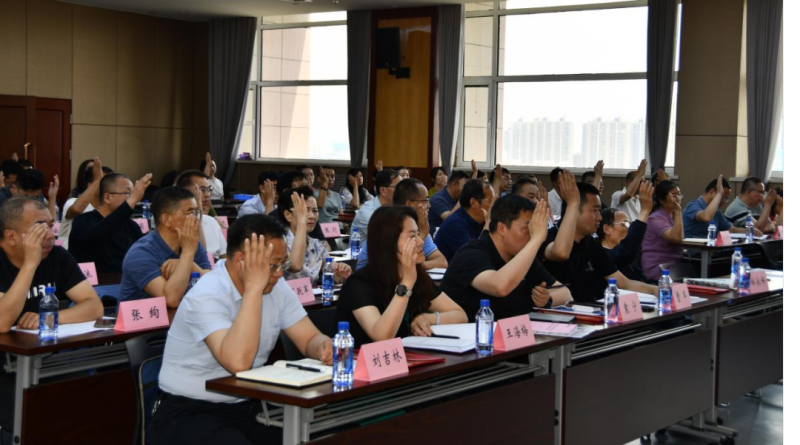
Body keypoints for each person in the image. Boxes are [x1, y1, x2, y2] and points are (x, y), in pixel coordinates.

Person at [151, 215, 334, 444]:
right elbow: (238, 362)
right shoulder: (207, 293)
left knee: (320, 437)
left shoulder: (276, 287)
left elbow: (309, 338)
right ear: (240, 261)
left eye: (283, 264)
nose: (280, 273)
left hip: (248, 405)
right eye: (273, 265)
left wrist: (324, 347)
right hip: (188, 411)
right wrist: (254, 288)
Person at [337, 206, 467, 347]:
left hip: (411, 356)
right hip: (368, 359)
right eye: (412, 236)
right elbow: (382, 336)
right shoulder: (359, 283)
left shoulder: (417, 275)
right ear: (389, 243)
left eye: (418, 234)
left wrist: (428, 318)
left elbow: (460, 315)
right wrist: (406, 283)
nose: (420, 242)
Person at [442, 195, 572, 321]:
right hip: (472, 333)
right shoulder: (471, 254)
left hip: (512, 333)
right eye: (528, 229)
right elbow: (499, 286)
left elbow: (565, 293)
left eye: (534, 230)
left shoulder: (521, 256)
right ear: (502, 228)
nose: (532, 235)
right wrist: (537, 239)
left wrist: (547, 299)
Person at [539, 174, 658, 302]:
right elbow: (560, 253)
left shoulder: (591, 244)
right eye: (594, 211)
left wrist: (655, 289)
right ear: (574, 209)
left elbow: (623, 282)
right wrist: (573, 203)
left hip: (590, 311)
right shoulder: (547, 237)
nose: (600, 217)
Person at [0, 198, 103, 334]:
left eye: (50, 226)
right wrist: (30, 265)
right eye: (40, 229)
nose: (51, 235)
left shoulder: (57, 255)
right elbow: (2, 323)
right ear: (11, 237)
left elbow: (95, 307)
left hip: (43, 342)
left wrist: (49, 318)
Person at [119, 187, 212, 307]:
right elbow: (171, 299)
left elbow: (212, 283)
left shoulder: (192, 243)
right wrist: (187, 254)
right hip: (146, 318)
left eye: (197, 212)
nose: (196, 219)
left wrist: (188, 264)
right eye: (190, 213)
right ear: (166, 219)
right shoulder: (140, 253)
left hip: (184, 315)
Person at [356, 178, 448, 271]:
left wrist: (419, 265)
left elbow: (442, 262)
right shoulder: (387, 225)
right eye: (425, 200)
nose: (429, 205)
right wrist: (422, 235)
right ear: (409, 204)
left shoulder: (416, 227)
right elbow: (395, 267)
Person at [69, 173, 152, 273]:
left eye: (132, 194)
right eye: (128, 193)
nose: (134, 199)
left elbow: (143, 253)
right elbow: (100, 232)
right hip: (93, 281)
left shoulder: (131, 226)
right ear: (107, 197)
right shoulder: (83, 221)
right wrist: (132, 200)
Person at [277, 187, 351, 286]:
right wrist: (302, 223)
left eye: (315, 210)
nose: (311, 216)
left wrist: (341, 271)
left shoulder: (317, 245)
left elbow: (334, 272)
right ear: (288, 215)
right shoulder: (280, 243)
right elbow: (295, 265)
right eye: (304, 211)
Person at [598, 181, 655, 283]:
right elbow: (626, 252)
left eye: (630, 223)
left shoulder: (627, 255)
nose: (629, 228)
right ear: (607, 229)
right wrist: (644, 211)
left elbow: (642, 280)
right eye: (624, 224)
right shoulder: (602, 255)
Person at [434, 180, 494, 262]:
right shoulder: (454, 224)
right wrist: (487, 227)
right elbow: (474, 258)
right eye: (490, 201)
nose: (494, 205)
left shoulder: (482, 220)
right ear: (473, 202)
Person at [60, 158, 115, 250]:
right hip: (69, 255)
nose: (110, 187)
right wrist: (97, 181)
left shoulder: (109, 208)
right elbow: (76, 210)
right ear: (90, 185)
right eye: (105, 182)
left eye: (112, 183)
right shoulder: (72, 202)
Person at [684, 176, 761, 239]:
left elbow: (732, 230)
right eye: (723, 197)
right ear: (711, 192)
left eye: (726, 199)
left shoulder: (717, 212)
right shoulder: (693, 205)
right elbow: (706, 217)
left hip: (709, 249)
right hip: (692, 250)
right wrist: (719, 194)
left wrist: (749, 230)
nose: (724, 202)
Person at [176, 171, 228, 261]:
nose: (208, 194)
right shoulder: (176, 224)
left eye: (209, 189)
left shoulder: (212, 222)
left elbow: (225, 258)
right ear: (183, 193)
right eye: (202, 190)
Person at [642, 181, 685, 281]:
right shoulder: (655, 218)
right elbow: (676, 238)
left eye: (679, 195)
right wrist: (678, 211)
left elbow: (680, 236)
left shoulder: (674, 215)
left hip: (674, 265)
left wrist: (677, 212)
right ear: (661, 200)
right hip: (658, 266)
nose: (678, 198)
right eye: (674, 195)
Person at [351, 170, 401, 238]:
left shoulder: (394, 208)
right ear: (383, 190)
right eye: (398, 187)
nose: (402, 190)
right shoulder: (367, 212)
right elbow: (389, 239)